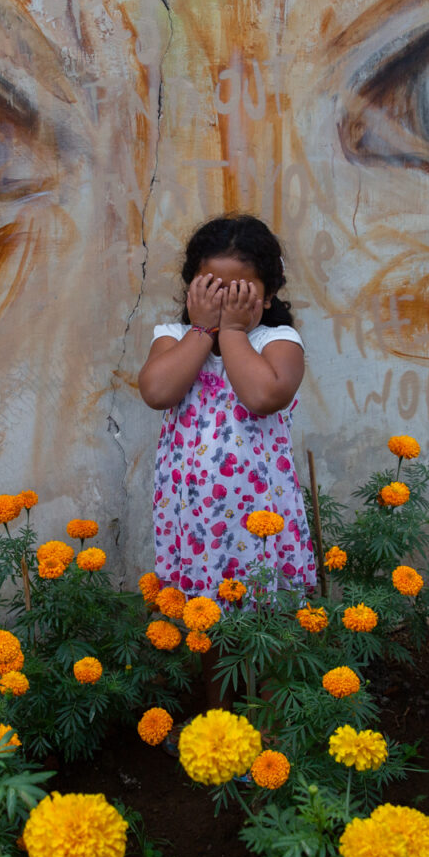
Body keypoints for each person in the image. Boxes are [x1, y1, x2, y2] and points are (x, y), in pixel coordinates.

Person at [139, 216, 314, 601]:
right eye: (215, 290)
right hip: (195, 513)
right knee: (202, 611)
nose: (226, 302)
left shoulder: (278, 341)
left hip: (260, 511)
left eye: (240, 292)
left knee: (265, 603)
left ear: (268, 296)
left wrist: (233, 331)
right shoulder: (175, 339)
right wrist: (202, 330)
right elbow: (156, 392)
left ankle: (264, 661)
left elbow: (262, 396)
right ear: (192, 291)